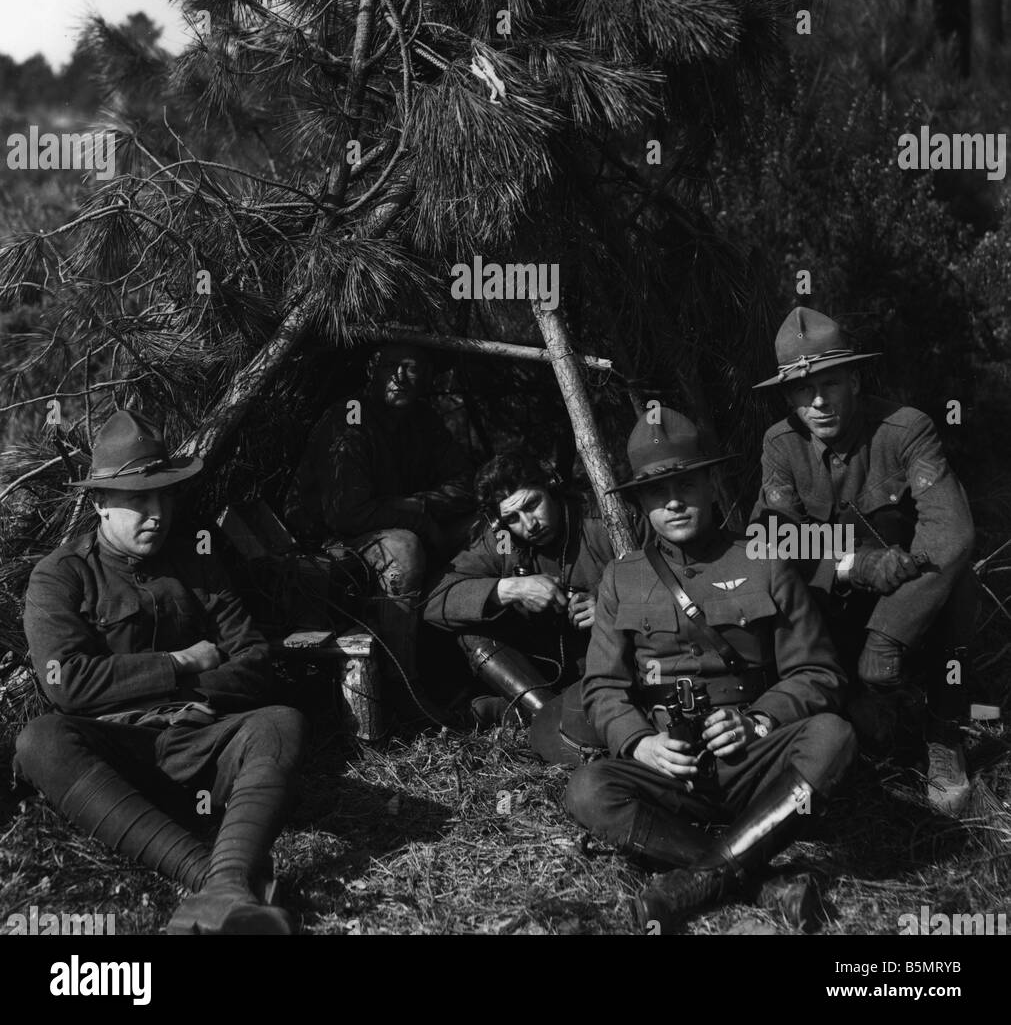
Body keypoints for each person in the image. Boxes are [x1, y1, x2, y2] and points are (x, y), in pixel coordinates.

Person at [565, 408, 856, 933]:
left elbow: (818, 671)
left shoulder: (764, 562)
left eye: (686, 484)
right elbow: (603, 687)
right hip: (668, 771)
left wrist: (760, 721)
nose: (674, 501)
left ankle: (696, 880)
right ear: (641, 505)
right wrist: (639, 745)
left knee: (833, 736)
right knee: (588, 789)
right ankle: (757, 880)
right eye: (657, 492)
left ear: (710, 483)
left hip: (751, 762)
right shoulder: (620, 580)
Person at [16, 411, 305, 935]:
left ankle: (226, 882)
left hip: (201, 742)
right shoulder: (62, 575)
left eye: (164, 497)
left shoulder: (196, 557)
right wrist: (178, 662)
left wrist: (189, 692)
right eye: (138, 500)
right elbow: (67, 683)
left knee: (279, 721)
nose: (157, 514)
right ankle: (211, 879)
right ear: (100, 504)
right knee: (40, 740)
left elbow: (255, 661)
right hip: (119, 755)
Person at [750, 308, 977, 814]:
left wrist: (889, 632)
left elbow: (952, 529)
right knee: (779, 589)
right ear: (788, 397)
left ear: (854, 378)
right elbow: (769, 539)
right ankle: (849, 706)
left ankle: (945, 730)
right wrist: (851, 565)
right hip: (836, 603)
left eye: (829, 383)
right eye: (803, 391)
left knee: (959, 580)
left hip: (909, 596)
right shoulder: (780, 445)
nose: (818, 401)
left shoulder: (905, 429)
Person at [284, 341, 475, 721]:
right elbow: (346, 514)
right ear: (373, 369)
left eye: (412, 368)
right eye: (390, 366)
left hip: (388, 524)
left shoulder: (423, 420)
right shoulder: (350, 417)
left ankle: (468, 660)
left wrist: (422, 505)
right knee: (403, 549)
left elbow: (467, 483)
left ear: (427, 376)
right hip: (329, 542)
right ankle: (401, 682)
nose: (400, 378)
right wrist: (418, 514)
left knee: (478, 527)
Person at [424, 452, 613, 728]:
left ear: (551, 488)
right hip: (546, 670)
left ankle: (511, 713)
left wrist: (611, 607)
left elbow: (672, 581)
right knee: (471, 630)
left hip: (613, 663)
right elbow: (433, 601)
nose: (529, 525)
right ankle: (550, 718)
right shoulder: (502, 541)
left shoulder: (600, 521)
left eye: (533, 504)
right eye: (512, 517)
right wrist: (511, 589)